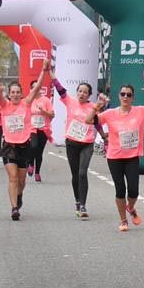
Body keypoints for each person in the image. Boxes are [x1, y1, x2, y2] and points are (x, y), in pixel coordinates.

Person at [95, 81, 144, 231]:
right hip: (114, 157)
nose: (125, 97)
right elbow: (90, 120)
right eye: (123, 94)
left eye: (129, 95)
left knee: (134, 190)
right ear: (119, 96)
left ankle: (131, 207)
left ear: (133, 98)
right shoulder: (110, 113)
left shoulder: (140, 111)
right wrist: (97, 107)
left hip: (132, 156)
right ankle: (123, 221)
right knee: (120, 189)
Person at [0, 64, 52, 221]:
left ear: (22, 94)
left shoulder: (27, 103)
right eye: (13, 92)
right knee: (13, 178)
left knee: (21, 181)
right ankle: (14, 208)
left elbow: (36, 87)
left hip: (24, 146)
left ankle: (19, 195)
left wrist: (43, 71)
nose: (15, 95)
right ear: (9, 94)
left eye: (18, 92)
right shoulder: (4, 105)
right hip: (9, 146)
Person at [56, 78, 101, 219]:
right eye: (80, 91)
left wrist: (104, 137)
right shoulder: (70, 102)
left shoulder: (93, 107)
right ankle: (77, 200)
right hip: (72, 143)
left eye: (85, 92)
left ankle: (83, 205)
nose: (82, 94)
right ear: (77, 92)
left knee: (82, 173)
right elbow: (60, 89)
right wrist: (51, 75)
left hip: (87, 144)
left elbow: (97, 123)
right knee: (75, 174)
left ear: (89, 95)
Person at [28, 85, 55, 182]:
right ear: (31, 89)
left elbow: (52, 115)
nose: (36, 89)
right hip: (32, 129)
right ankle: (31, 164)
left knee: (39, 152)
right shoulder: (29, 100)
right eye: (33, 87)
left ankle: (37, 172)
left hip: (43, 129)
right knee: (33, 146)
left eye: (38, 87)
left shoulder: (46, 100)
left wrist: (44, 112)